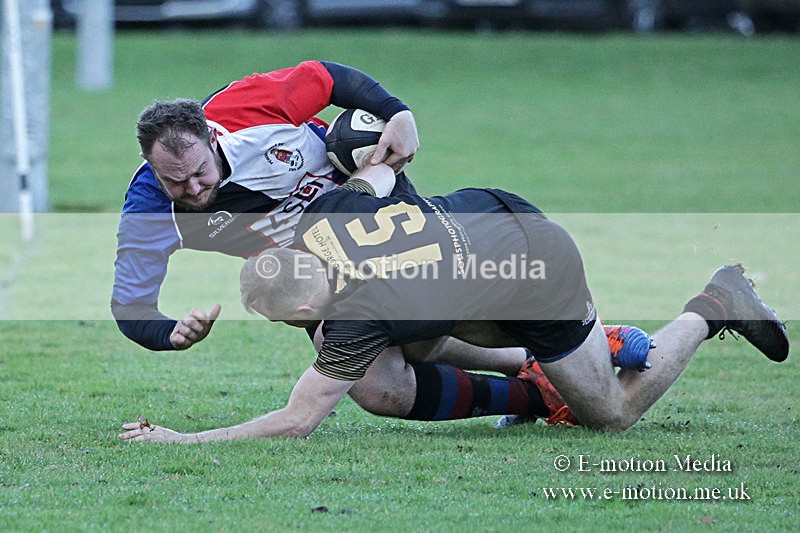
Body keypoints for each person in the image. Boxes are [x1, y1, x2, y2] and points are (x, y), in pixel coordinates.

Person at [120, 164, 786, 442]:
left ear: (300, 312)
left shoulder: (353, 321)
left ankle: (712, 302)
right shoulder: (325, 213)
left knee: (609, 412)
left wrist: (187, 438)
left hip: (539, 272)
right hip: (490, 215)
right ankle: (540, 367)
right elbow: (378, 171)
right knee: (401, 353)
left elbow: (297, 419)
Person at [111, 60, 421, 351]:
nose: (192, 188)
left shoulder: (244, 108)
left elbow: (325, 78)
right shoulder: (150, 212)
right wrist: (169, 333)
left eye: (199, 171)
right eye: (174, 181)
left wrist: (398, 114)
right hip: (325, 271)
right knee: (378, 387)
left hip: (385, 210)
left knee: (440, 314)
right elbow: (130, 307)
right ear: (148, 163)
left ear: (212, 138)